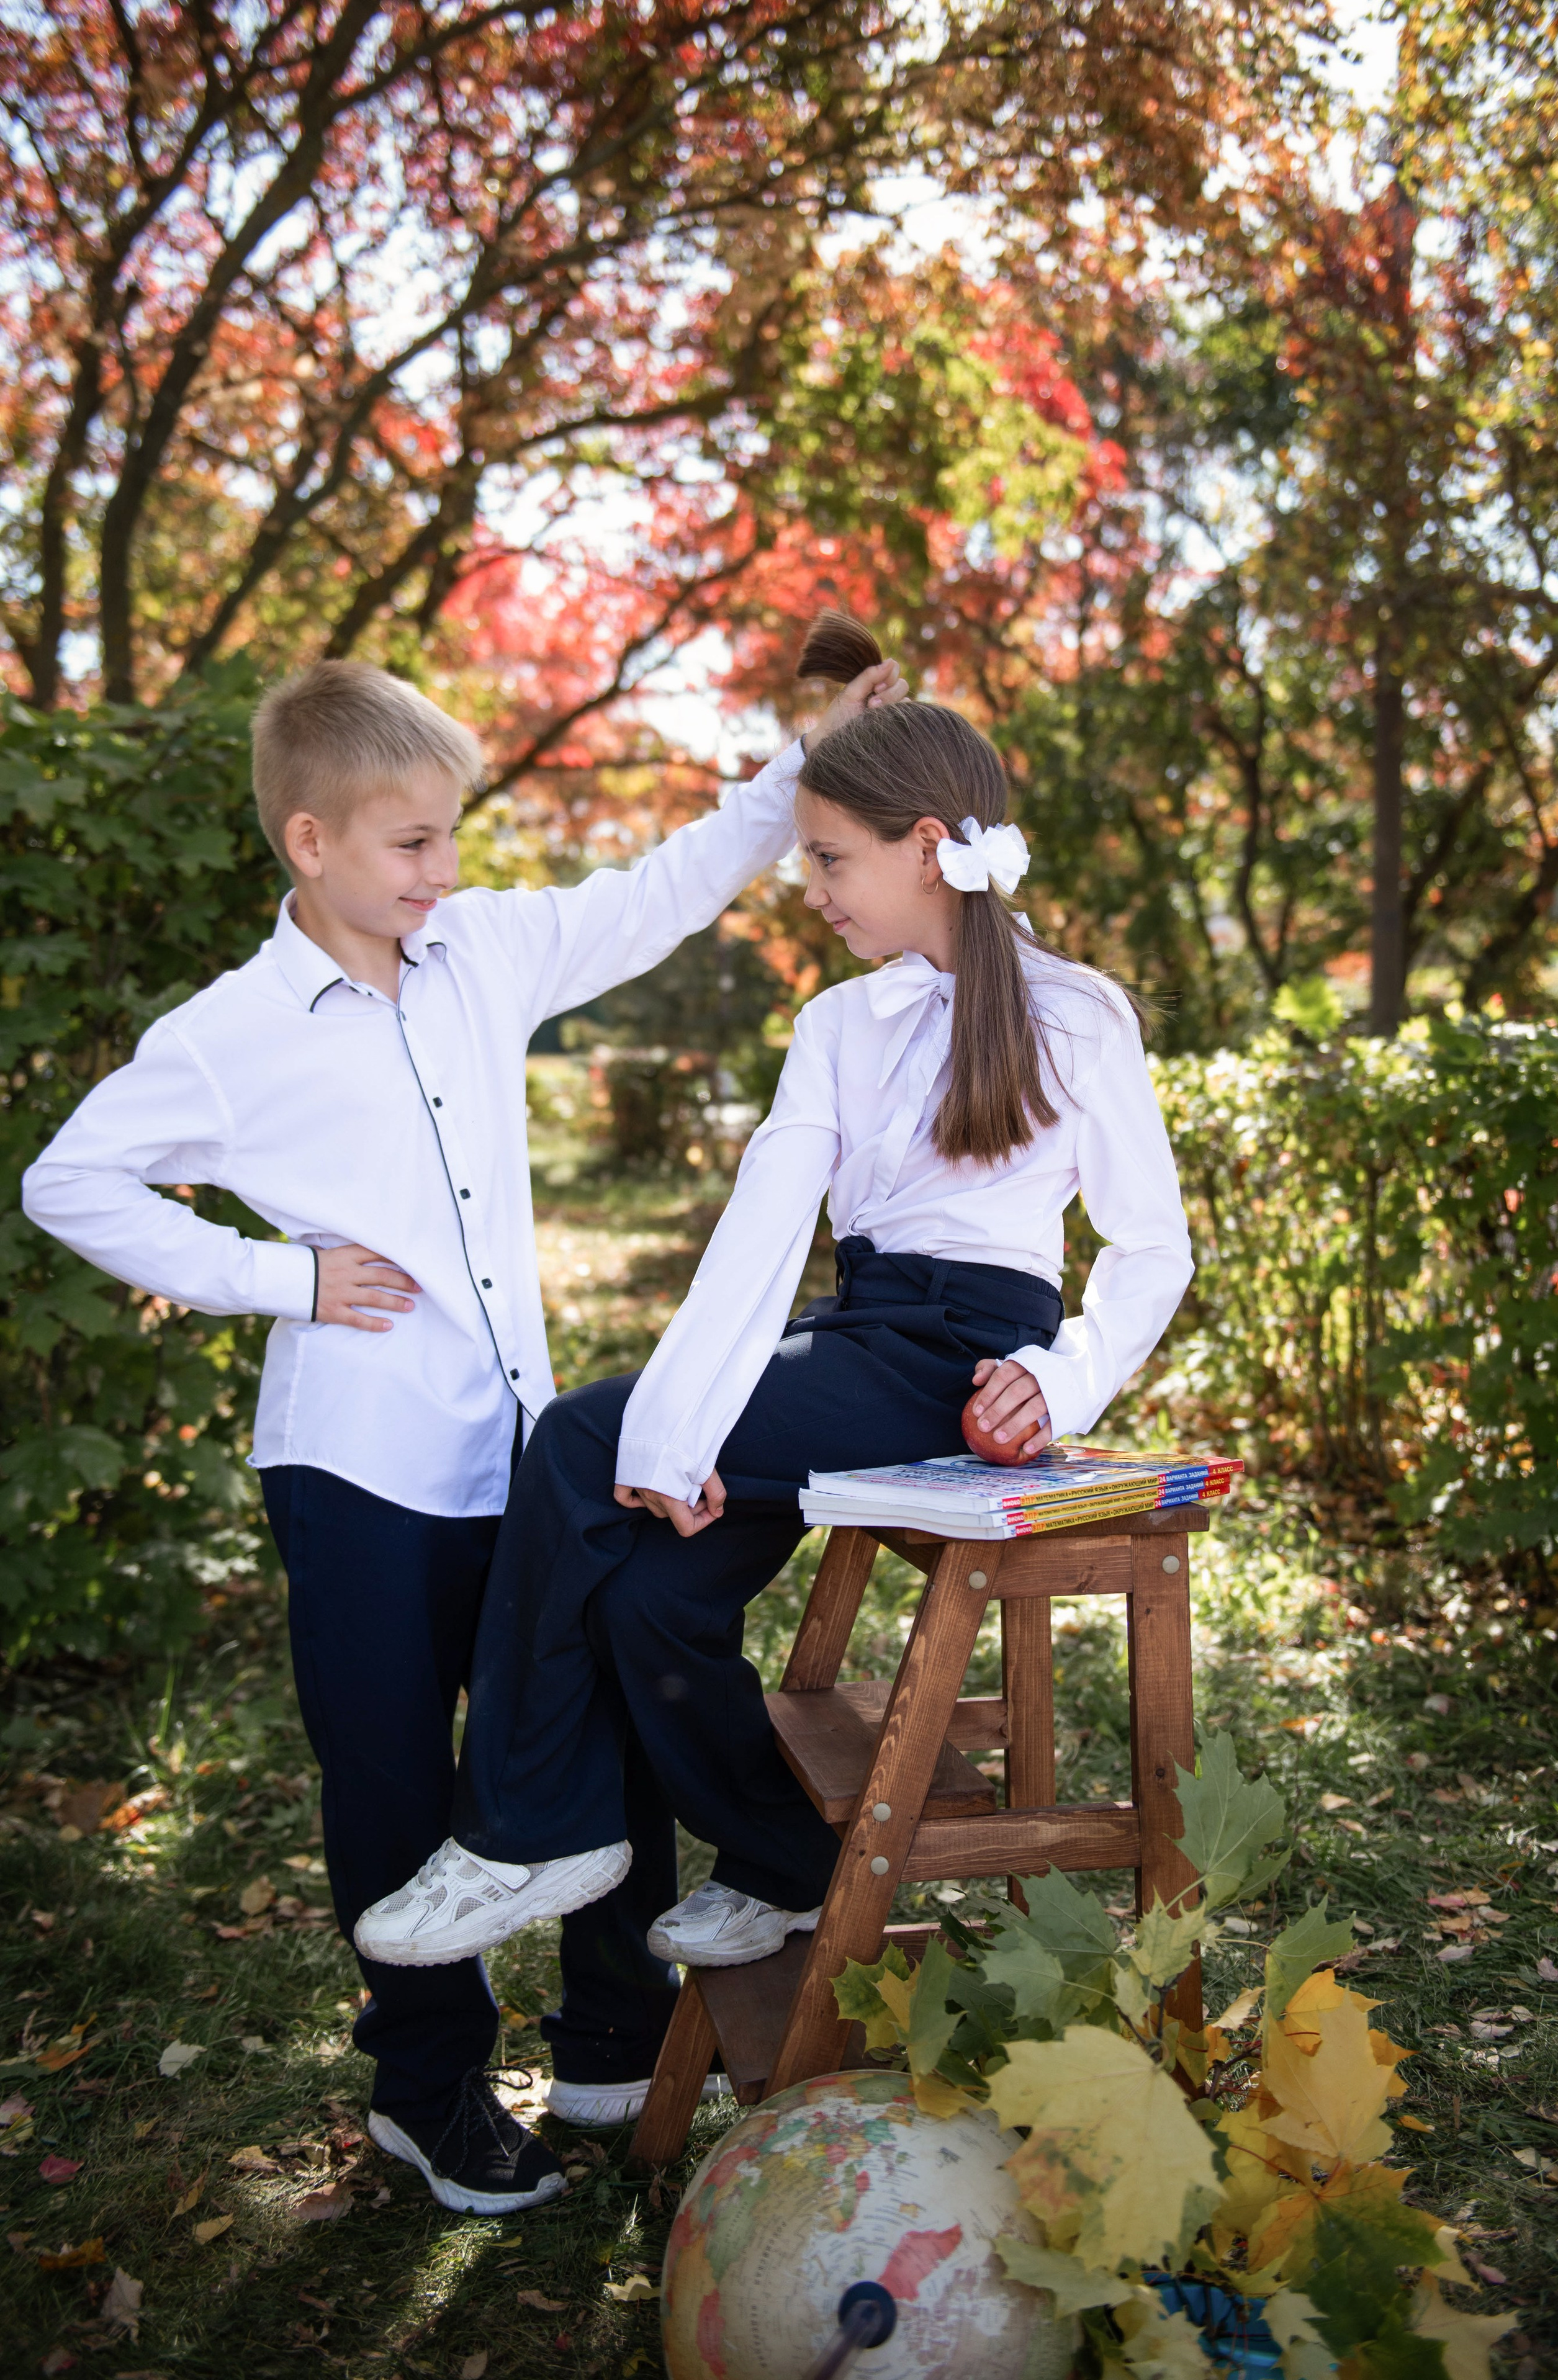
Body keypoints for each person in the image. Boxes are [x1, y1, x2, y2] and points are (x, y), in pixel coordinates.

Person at [19, 648, 901, 2207]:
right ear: (310, 841)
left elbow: (663, 886)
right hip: (355, 1465)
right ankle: (425, 2091)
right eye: (412, 841)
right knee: (391, 1781)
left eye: (450, 836)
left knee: (594, 1712)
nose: (443, 869)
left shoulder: (481, 949)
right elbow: (66, 1180)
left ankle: (611, 2041)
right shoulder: (232, 1031)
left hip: (518, 1454)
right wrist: (282, 1275)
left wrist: (800, 764)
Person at [354, 612, 1194, 1977]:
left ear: (927, 846)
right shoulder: (837, 1023)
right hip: (854, 1335)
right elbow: (760, 1233)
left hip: (966, 1354)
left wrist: (1062, 1380)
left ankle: (520, 1827)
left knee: (571, 1438)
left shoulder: (1077, 1012)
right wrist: (684, 1420)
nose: (810, 890)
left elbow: (1152, 1248)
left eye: (829, 859)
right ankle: (787, 1857)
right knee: (648, 1598)